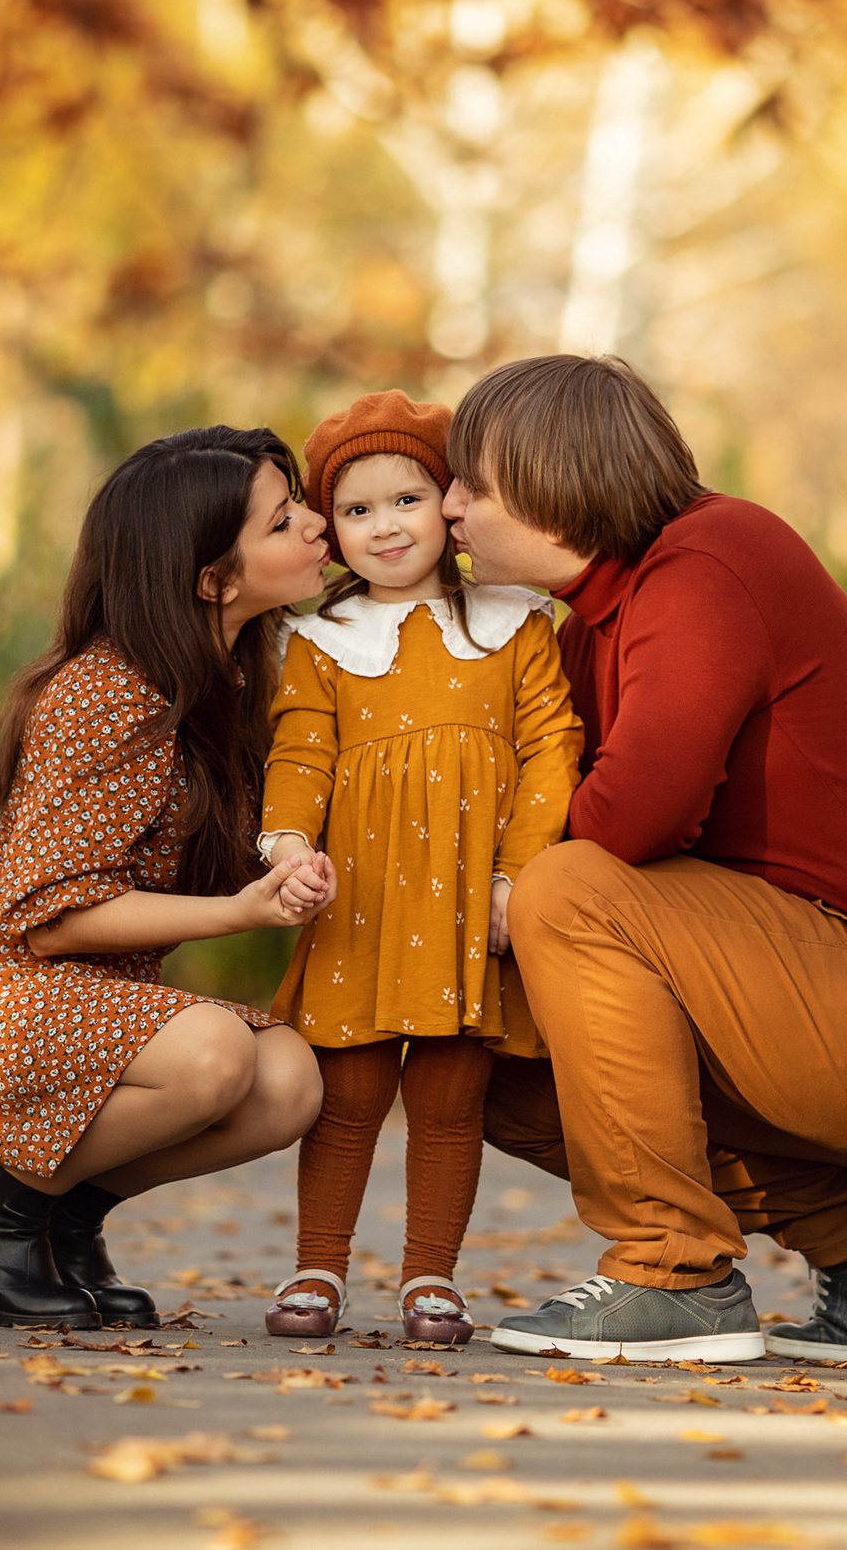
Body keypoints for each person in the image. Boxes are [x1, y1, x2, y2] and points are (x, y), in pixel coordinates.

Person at [442, 356, 847, 1364]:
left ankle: (673, 1274)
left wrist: (513, 881)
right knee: (487, 1062)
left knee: (567, 891)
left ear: (553, 481)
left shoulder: (710, 560)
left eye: (471, 483)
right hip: (810, 996)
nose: (450, 508)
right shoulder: (588, 629)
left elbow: (635, 817)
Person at [0, 425, 337, 1331]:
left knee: (288, 1083)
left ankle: (63, 1220)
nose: (317, 525)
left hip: (75, 1003)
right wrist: (240, 912)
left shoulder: (232, 682)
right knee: (215, 1054)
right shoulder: (104, 692)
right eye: (284, 520)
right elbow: (54, 922)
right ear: (213, 579)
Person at [256, 392, 583, 1345]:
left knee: (449, 1098)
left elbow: (552, 750)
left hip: (470, 902)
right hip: (358, 897)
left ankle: (430, 1274)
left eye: (407, 498)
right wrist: (287, 847)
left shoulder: (515, 624)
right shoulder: (319, 641)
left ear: (448, 502)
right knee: (347, 1093)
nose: (385, 525)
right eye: (356, 509)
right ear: (332, 527)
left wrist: (517, 877)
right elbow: (300, 755)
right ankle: (318, 1263)